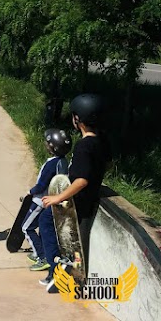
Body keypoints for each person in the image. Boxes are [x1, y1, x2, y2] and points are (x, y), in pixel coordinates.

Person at [39, 94, 111, 286]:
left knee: (46, 220)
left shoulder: (83, 146)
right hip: (90, 201)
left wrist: (57, 198)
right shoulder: (102, 142)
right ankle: (69, 266)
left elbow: (81, 181)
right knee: (74, 238)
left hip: (77, 202)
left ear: (78, 119)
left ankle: (55, 267)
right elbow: (104, 166)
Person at [22, 128, 72, 272]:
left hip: (40, 201)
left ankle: (42, 257)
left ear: (53, 147)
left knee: (26, 227)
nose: (46, 143)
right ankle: (41, 251)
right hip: (50, 201)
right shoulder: (62, 161)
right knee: (40, 229)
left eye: (48, 142)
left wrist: (29, 192)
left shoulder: (51, 165)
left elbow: (42, 185)